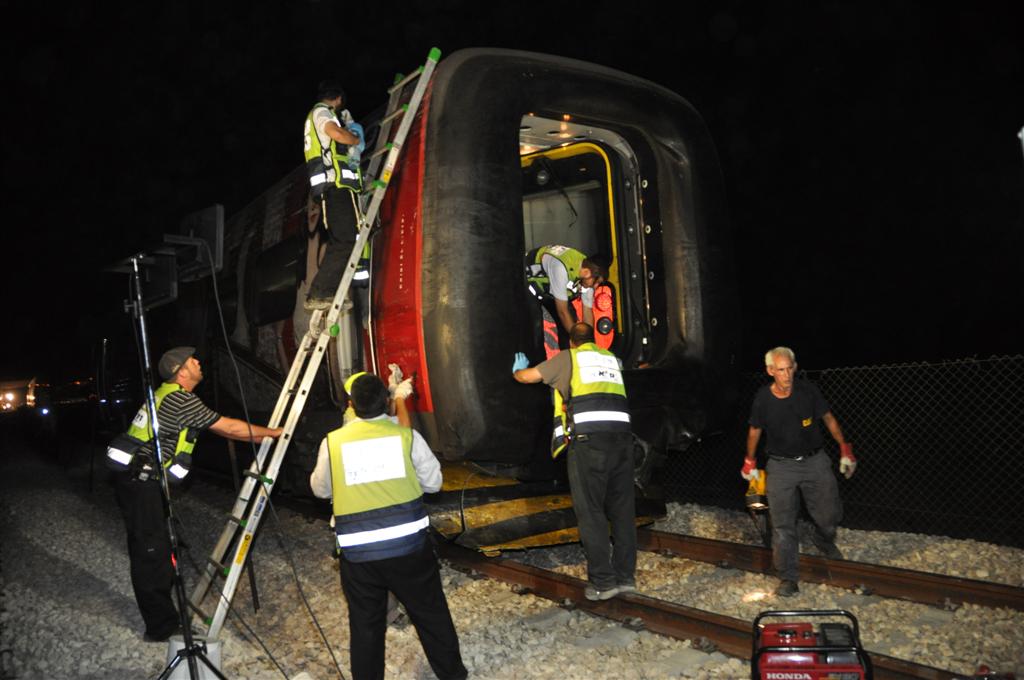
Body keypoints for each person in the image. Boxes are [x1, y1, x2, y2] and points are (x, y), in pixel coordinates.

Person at [111, 346, 283, 642]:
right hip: (142, 484)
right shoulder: (178, 398)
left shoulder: (166, 394)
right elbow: (227, 427)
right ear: (181, 371)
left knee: (155, 548)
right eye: (193, 360)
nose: (199, 362)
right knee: (151, 553)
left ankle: (162, 616)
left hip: (140, 481)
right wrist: (273, 433)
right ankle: (160, 627)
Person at [310, 373, 467, 680]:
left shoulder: (333, 442)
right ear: (386, 401)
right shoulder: (405, 436)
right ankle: (452, 675)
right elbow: (434, 484)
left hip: (358, 556)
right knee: (431, 614)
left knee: (365, 625)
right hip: (410, 549)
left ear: (351, 405)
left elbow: (320, 490)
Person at [512, 322, 637, 600]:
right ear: (593, 339)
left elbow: (527, 378)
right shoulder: (611, 360)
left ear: (571, 342)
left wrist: (516, 369)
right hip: (623, 444)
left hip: (590, 445)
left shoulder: (570, 358)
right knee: (622, 511)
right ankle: (626, 577)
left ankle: (603, 584)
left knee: (591, 513)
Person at [741, 346, 858, 598]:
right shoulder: (763, 399)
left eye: (790, 368)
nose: (787, 375)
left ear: (795, 367)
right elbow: (754, 431)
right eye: (780, 370)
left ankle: (823, 538)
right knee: (783, 525)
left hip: (814, 461)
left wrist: (845, 449)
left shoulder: (808, 391)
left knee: (829, 515)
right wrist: (749, 462)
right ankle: (788, 577)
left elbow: (828, 418)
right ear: (771, 371)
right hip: (781, 466)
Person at [303, 79, 366, 310]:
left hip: (333, 187)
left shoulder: (316, 115)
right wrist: (355, 139)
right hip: (335, 187)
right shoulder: (322, 112)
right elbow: (336, 134)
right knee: (345, 240)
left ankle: (325, 292)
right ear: (338, 99)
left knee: (344, 239)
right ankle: (319, 293)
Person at [524, 245, 607, 359]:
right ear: (587, 273)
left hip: (551, 290)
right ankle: (537, 364)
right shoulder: (560, 268)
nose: (596, 287)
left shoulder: (589, 272)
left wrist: (588, 344)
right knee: (536, 328)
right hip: (529, 285)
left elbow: (587, 311)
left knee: (570, 326)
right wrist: (578, 341)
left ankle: (572, 361)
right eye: (597, 282)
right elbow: (562, 311)